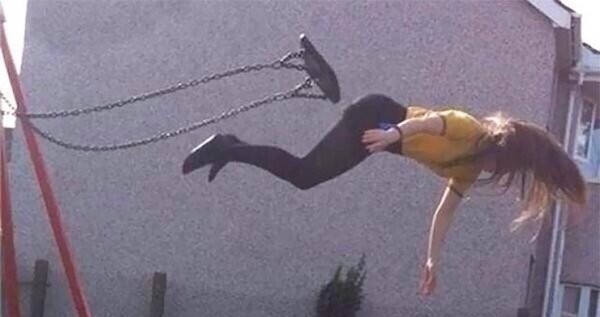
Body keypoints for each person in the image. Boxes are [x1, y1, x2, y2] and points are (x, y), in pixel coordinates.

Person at [182, 94, 587, 295]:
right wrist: (392, 133)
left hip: (382, 137)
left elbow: (445, 212)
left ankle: (230, 148)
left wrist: (432, 258)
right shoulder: (469, 129)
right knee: (304, 174)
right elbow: (429, 123)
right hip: (377, 118)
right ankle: (227, 146)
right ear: (501, 148)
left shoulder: (469, 168)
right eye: (503, 166)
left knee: (303, 175)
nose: (496, 174)